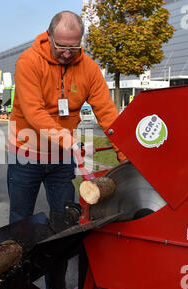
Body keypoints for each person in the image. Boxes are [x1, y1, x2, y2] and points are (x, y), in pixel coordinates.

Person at [7, 11, 126, 224]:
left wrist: (123, 152)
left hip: (62, 157)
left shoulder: (89, 68)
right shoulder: (29, 62)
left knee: (66, 217)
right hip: (25, 155)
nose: (68, 53)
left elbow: (106, 112)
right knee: (20, 219)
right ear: (49, 36)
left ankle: (59, 257)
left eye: (74, 47)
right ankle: (20, 255)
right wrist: (70, 141)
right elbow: (34, 112)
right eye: (61, 46)